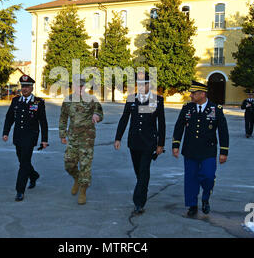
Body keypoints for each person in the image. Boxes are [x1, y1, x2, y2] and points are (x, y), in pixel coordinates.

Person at [172, 81, 229, 217]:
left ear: (202, 94)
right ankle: (192, 205)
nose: (191, 96)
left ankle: (205, 198)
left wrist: (224, 151)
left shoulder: (216, 109)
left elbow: (223, 131)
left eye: (194, 93)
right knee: (191, 179)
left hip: (208, 151)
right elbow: (179, 127)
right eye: (191, 93)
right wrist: (176, 145)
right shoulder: (187, 108)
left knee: (208, 176)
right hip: (190, 150)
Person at [114, 71, 165, 215]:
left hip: (149, 143)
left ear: (150, 84)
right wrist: (118, 138)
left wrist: (160, 144)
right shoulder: (131, 99)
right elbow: (124, 119)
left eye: (145, 84)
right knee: (139, 173)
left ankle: (138, 203)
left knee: (143, 171)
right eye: (139, 84)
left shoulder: (157, 100)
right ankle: (143, 188)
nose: (142, 86)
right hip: (134, 142)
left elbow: (161, 124)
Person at [59, 75, 104, 205]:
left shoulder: (91, 99)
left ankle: (83, 191)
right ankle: (77, 179)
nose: (79, 88)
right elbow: (63, 118)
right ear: (73, 86)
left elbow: (100, 113)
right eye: (77, 85)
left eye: (82, 85)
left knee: (85, 165)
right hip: (72, 137)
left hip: (87, 138)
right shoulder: (68, 101)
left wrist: (97, 116)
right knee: (69, 164)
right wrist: (62, 134)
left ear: (85, 87)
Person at [3, 75, 48, 202]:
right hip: (18, 136)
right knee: (22, 160)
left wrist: (44, 139)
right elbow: (9, 118)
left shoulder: (38, 102)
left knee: (23, 163)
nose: (25, 89)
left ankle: (19, 190)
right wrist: (5, 132)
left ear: (32, 88)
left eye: (27, 86)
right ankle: (33, 175)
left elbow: (43, 122)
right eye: (23, 86)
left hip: (30, 136)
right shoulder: (16, 101)